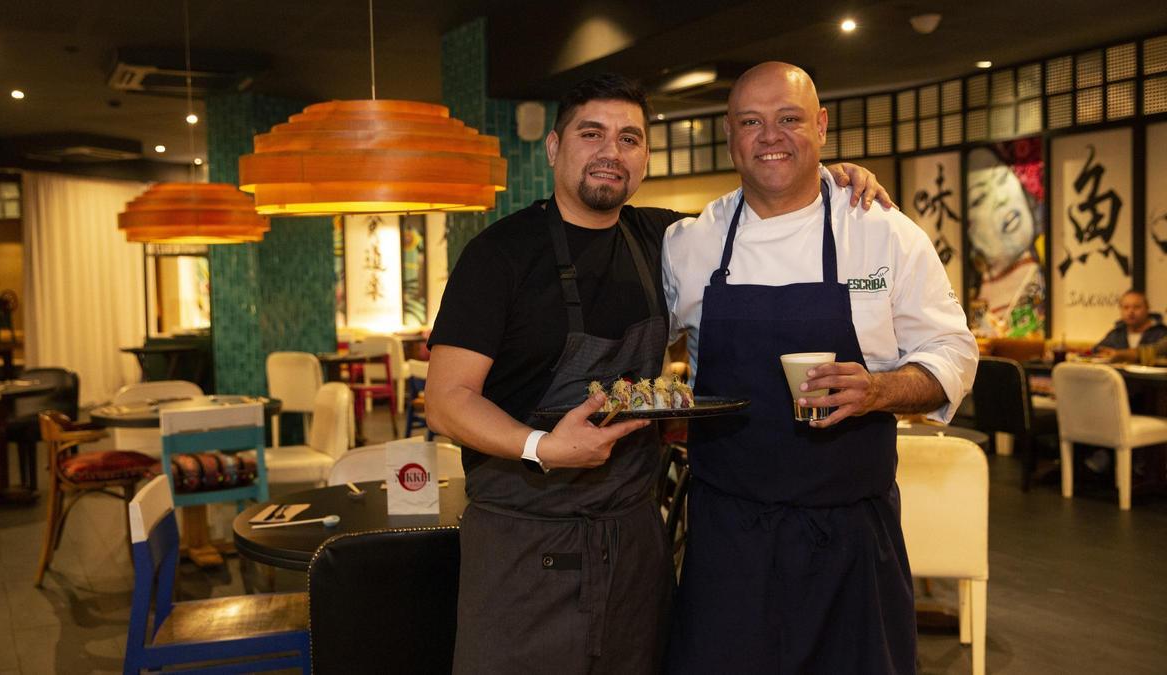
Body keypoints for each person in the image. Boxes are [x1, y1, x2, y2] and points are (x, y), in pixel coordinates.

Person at [424, 72, 889, 675]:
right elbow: (446, 400)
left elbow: (769, 208)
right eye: (592, 133)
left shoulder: (664, 240)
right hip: (524, 542)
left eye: (629, 138)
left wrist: (830, 177)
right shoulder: (499, 255)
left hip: (633, 541)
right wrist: (543, 446)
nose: (610, 152)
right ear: (555, 146)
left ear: (645, 156)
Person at [661, 62, 978, 673]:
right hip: (728, 535)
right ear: (729, 134)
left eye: (789, 119)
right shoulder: (690, 243)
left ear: (823, 126)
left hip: (851, 535)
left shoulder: (884, 232)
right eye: (751, 122)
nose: (770, 136)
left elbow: (954, 352)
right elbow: (642, 351)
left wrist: (881, 388)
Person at [966, 145, 1046, 337]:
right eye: (980, 198)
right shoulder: (970, 296)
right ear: (969, 228)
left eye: (1002, 179)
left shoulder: (1045, 277)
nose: (1001, 198)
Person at [1095, 290, 1167, 360]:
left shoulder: (1162, 332)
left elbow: (1155, 351)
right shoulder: (1117, 333)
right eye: (1126, 307)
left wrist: (1120, 355)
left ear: (1147, 308)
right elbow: (1097, 351)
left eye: (1136, 307)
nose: (1130, 312)